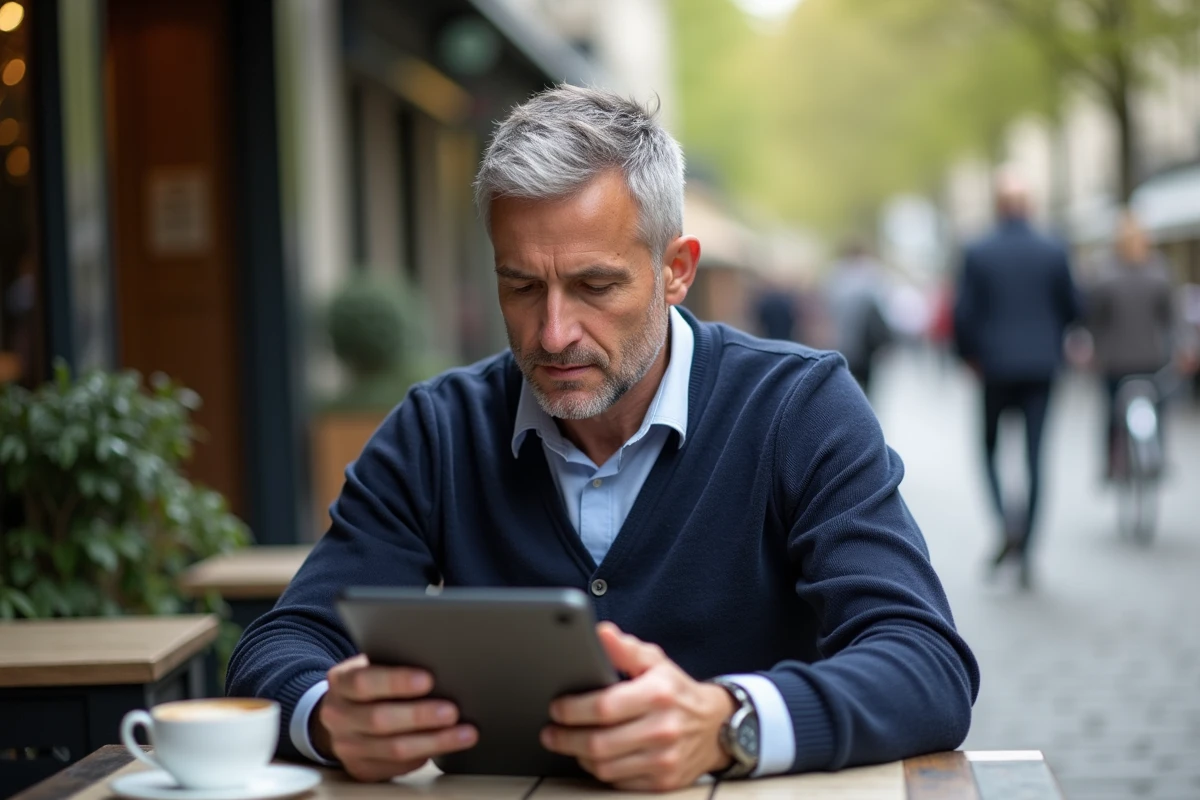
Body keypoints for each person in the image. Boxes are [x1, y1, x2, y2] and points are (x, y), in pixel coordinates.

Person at [228, 86, 978, 792]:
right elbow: (277, 647)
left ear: (675, 270)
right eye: (522, 286)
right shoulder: (439, 429)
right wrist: (326, 717)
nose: (554, 333)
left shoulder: (797, 408)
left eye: (595, 286)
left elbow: (925, 663)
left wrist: (729, 724)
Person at [953, 171, 1081, 589]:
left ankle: (1007, 525)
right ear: (1030, 205)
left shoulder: (978, 250)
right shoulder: (1054, 248)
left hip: (994, 366)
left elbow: (964, 313)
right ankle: (1026, 548)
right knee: (1035, 456)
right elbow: (1073, 306)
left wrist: (968, 356)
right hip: (1041, 367)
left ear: (997, 205)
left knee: (989, 449)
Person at [1087, 212, 1187, 478]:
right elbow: (1172, 317)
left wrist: (1093, 349)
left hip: (1114, 360)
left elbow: (1095, 319)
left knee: (1112, 412)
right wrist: (1183, 348)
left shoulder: (1104, 273)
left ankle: (1111, 462)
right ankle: (1158, 456)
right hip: (1152, 358)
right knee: (1158, 407)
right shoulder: (1160, 270)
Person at [823, 241, 893, 394]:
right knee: (866, 387)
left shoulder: (835, 275)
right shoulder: (872, 274)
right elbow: (882, 308)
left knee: (845, 383)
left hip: (842, 342)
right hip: (866, 342)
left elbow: (828, 308)